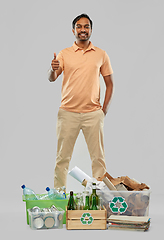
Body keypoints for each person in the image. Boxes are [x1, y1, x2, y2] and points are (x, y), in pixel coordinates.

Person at [48, 13, 114, 189]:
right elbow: (52, 77)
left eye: (86, 26)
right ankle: (59, 197)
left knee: (98, 159)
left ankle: (99, 199)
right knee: (62, 158)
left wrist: (103, 110)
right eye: (79, 26)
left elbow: (110, 84)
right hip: (67, 113)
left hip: (93, 114)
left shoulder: (101, 54)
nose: (82, 29)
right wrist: (52, 69)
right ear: (73, 30)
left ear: (91, 30)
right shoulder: (64, 54)